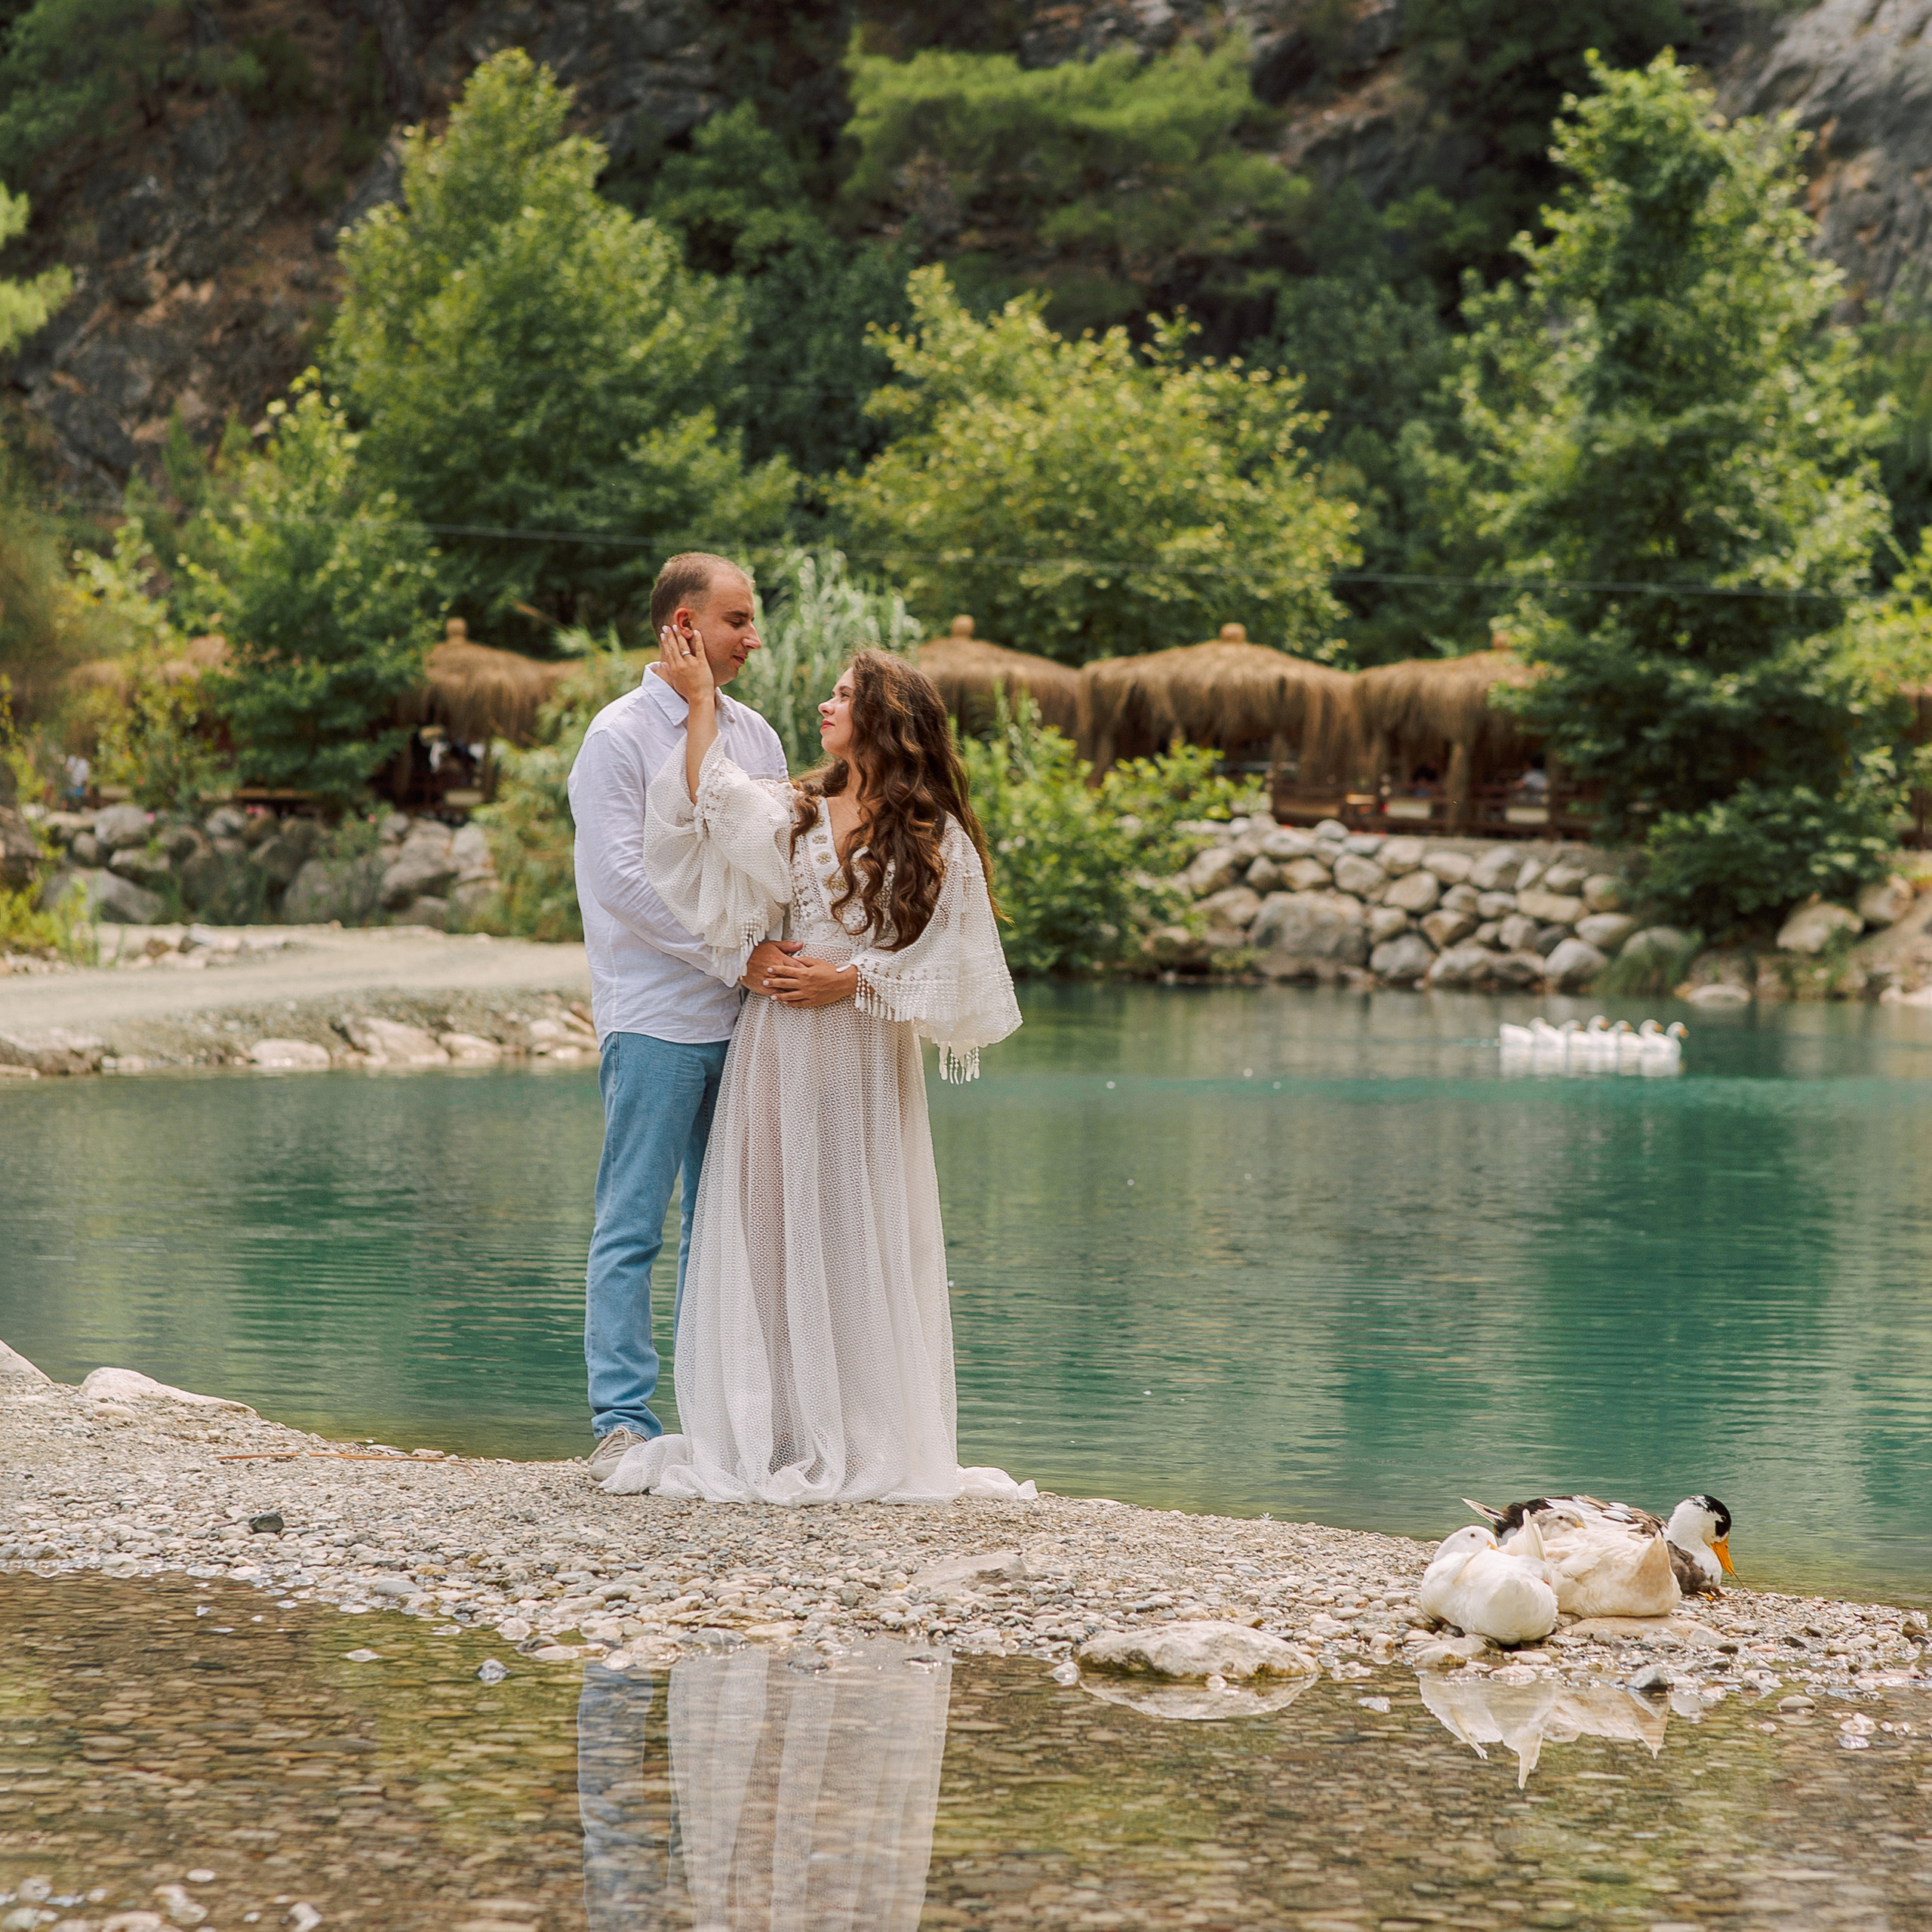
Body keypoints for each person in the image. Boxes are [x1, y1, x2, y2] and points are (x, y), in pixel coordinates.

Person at [601, 634, 1032, 1505]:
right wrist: (696, 707)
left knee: (853, 1227)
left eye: (844, 696)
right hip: (775, 1047)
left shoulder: (931, 831)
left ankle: (861, 1425)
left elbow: (963, 964)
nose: (826, 707)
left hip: (865, 1053)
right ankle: (774, 1426)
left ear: (882, 720)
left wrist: (854, 977)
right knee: (766, 1229)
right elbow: (707, 806)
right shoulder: (793, 808)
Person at [569, 552, 802, 1480]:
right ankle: (621, 1415)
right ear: (681, 628)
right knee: (633, 1223)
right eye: (737, 620)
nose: (753, 637)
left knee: (732, 1227)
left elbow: (779, 869)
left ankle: (726, 1416)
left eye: (752, 621)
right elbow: (624, 883)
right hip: (657, 1016)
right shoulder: (616, 737)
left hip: (748, 1022)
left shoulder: (758, 738)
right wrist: (733, 952)